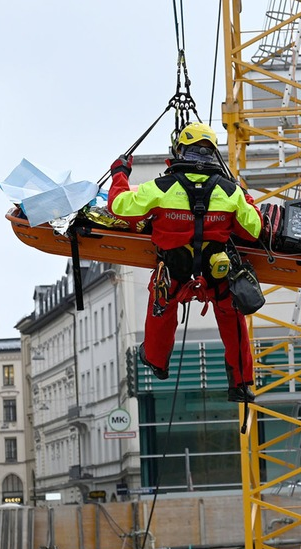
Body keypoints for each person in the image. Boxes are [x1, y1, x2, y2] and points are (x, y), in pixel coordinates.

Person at [107, 122, 263, 402]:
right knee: (233, 318)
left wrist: (120, 173)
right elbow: (253, 230)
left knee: (161, 306)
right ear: (213, 153)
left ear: (180, 150)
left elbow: (119, 207)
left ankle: (156, 361)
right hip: (216, 271)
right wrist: (245, 196)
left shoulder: (160, 187)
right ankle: (240, 384)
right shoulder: (230, 192)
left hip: (174, 269)